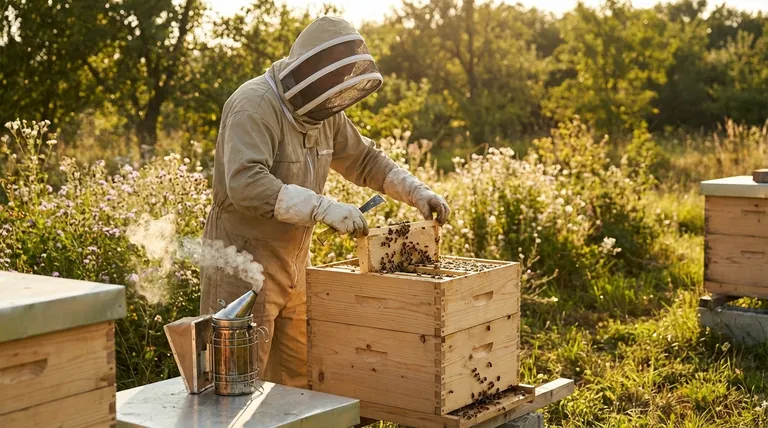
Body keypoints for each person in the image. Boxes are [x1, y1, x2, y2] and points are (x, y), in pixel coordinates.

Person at [199, 16, 450, 388]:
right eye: (333, 79)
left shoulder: (325, 113)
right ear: (311, 69)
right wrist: (323, 208)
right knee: (236, 384)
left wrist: (417, 191)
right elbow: (245, 183)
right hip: (242, 265)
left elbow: (365, 159)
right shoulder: (254, 106)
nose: (336, 91)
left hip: (297, 263)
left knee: (300, 377)